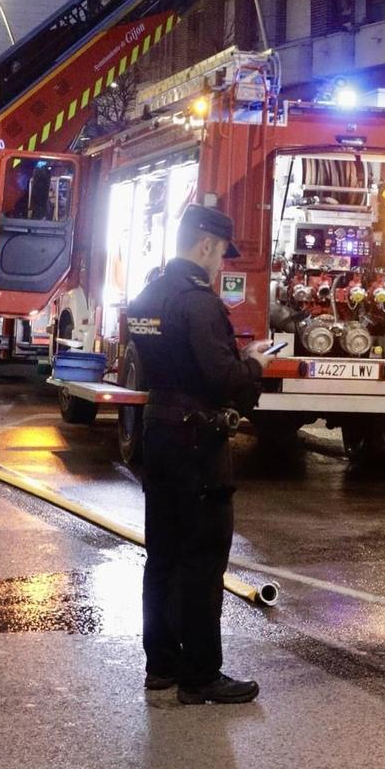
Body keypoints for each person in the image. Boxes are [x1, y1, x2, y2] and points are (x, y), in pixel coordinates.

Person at [125, 203, 264, 706]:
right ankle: (201, 675)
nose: (222, 264)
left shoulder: (147, 295)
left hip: (157, 434)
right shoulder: (198, 303)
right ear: (205, 245)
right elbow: (223, 378)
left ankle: (161, 664)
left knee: (161, 554)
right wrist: (252, 365)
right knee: (203, 558)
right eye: (222, 254)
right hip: (198, 443)